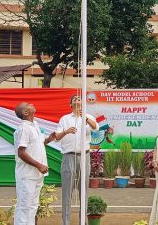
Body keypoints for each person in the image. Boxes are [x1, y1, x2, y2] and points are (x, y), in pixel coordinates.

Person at [55, 95, 98, 225]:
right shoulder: (65, 119)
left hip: (84, 156)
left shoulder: (88, 117)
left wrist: (84, 117)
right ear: (70, 104)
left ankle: (82, 222)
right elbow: (57, 137)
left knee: (83, 190)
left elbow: (96, 128)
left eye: (79, 99)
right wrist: (66, 131)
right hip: (68, 156)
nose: (77, 100)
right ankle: (66, 222)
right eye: (74, 99)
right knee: (67, 190)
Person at [13, 102, 55, 225]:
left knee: (32, 206)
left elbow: (40, 143)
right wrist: (38, 165)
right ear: (25, 112)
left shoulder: (34, 125)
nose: (31, 104)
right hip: (27, 175)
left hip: (36, 174)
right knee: (24, 206)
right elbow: (21, 152)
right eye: (28, 105)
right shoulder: (23, 128)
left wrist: (49, 139)